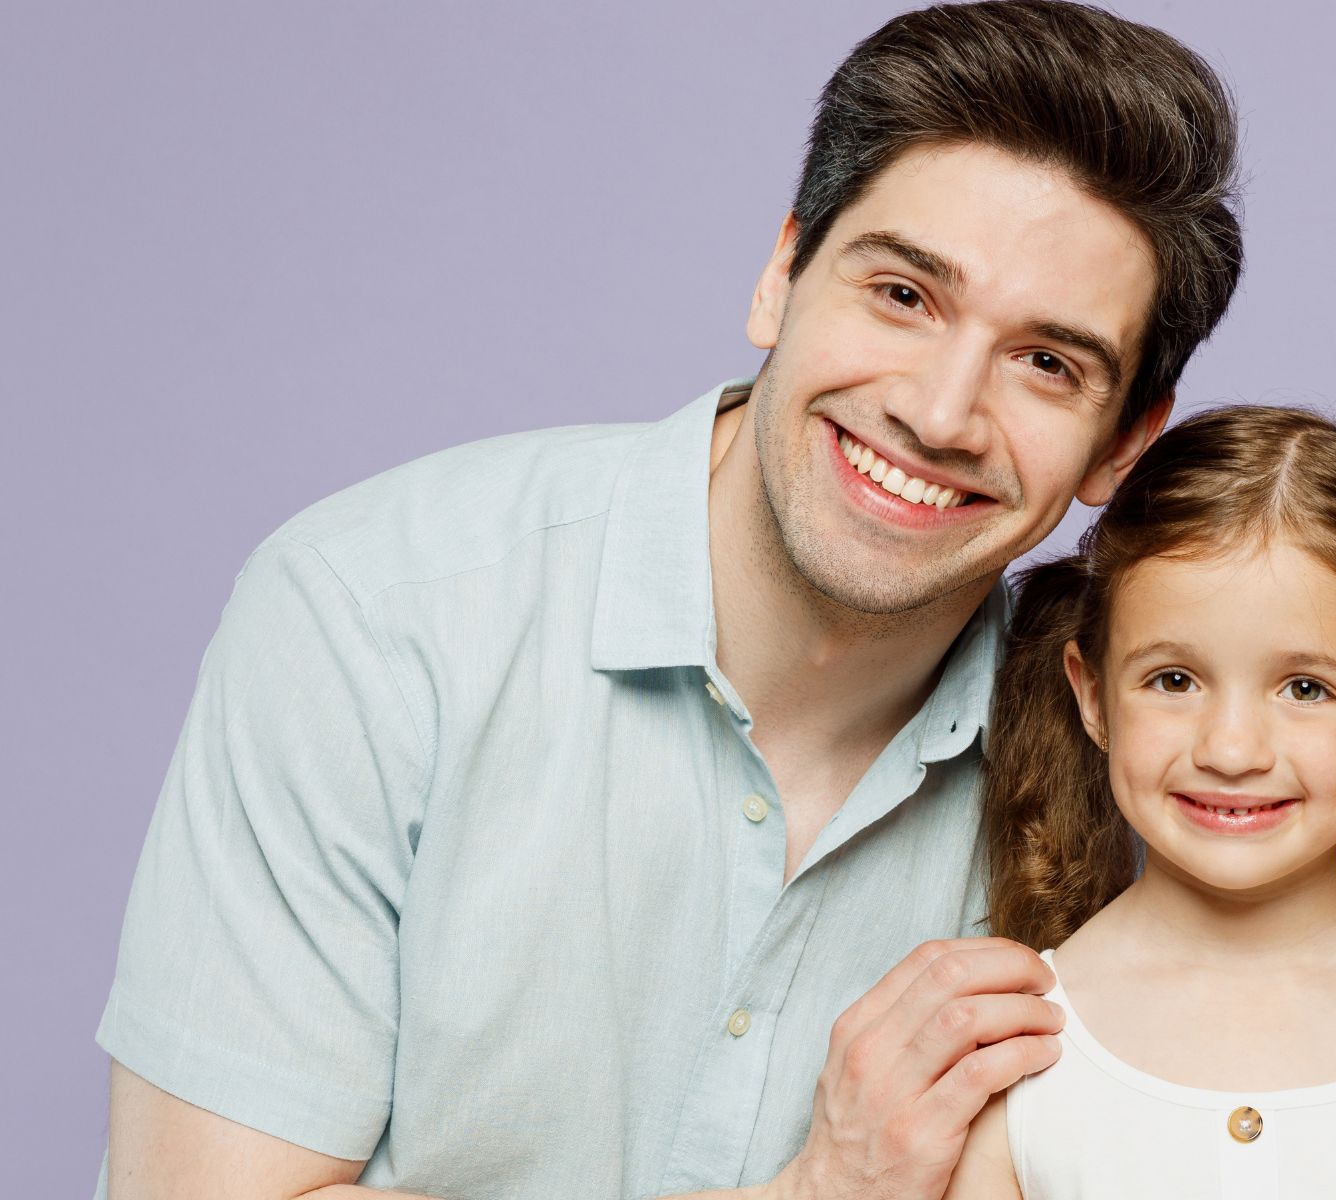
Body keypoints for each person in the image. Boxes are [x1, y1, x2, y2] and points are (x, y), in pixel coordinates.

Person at [95, 4, 1242, 1197]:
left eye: (1047, 363)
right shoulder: (373, 617)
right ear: (781, 276)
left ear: (1123, 446)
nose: (940, 413)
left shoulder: (1134, 767)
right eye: (903, 294)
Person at [939, 404, 1336, 1199]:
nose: (1230, 750)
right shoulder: (1003, 1049)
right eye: (1173, 680)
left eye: (1305, 688)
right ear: (1093, 696)